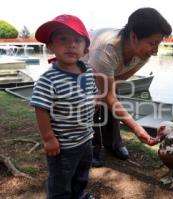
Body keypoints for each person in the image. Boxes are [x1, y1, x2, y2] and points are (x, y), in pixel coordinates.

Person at [83, 7, 172, 167]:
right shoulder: (106, 49)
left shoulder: (143, 53)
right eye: (152, 43)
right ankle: (92, 147)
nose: (156, 50)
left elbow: (119, 78)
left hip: (108, 70)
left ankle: (113, 144)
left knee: (111, 97)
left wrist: (107, 94)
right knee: (93, 102)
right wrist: (137, 129)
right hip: (86, 64)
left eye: (158, 43)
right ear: (133, 36)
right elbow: (107, 95)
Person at [31, 14, 97, 199]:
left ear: (85, 49)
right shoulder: (48, 79)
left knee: (81, 174)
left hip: (85, 138)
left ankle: (79, 195)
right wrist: (48, 138)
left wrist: (93, 103)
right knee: (60, 181)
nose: (71, 44)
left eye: (77, 40)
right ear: (50, 46)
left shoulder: (88, 71)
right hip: (63, 145)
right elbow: (41, 109)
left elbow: (90, 92)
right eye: (63, 39)